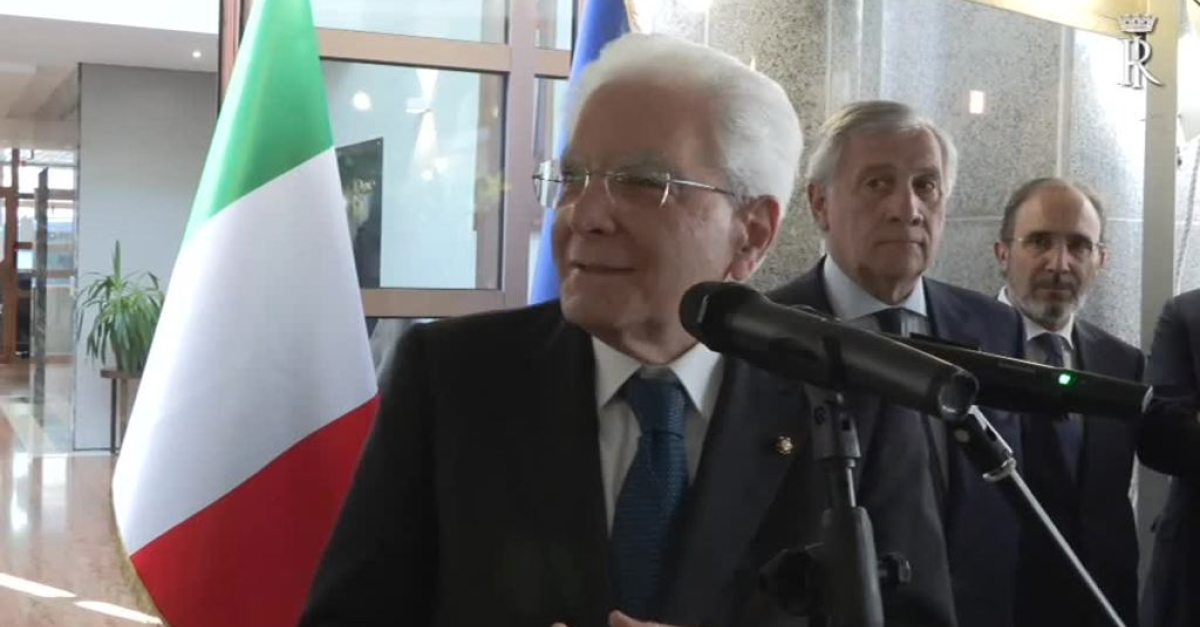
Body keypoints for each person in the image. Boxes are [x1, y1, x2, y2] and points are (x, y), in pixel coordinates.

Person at [300, 35, 955, 627]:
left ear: (752, 231)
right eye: (573, 178)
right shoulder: (454, 380)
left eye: (642, 182)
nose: (585, 215)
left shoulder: (852, 397)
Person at [769, 100, 1026, 627]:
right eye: (878, 183)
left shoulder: (996, 329)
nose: (906, 208)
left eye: (926, 185)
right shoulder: (765, 336)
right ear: (819, 203)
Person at [992, 178, 1142, 627]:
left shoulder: (1123, 363)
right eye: (1039, 242)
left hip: (1102, 606)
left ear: (1101, 260)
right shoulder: (962, 350)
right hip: (996, 606)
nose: (1059, 264)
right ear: (1003, 252)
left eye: (1079, 246)